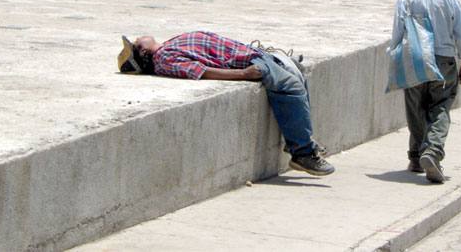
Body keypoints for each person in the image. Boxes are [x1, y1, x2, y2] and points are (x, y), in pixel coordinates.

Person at [118, 31, 335, 176]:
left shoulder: (169, 44)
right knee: (291, 88)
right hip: (248, 63)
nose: (137, 38)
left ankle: (303, 139)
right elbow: (202, 72)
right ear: (143, 53)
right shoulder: (164, 59)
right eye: (136, 44)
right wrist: (244, 74)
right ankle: (302, 153)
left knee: (297, 74)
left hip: (255, 55)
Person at [390, 0, 461, 183]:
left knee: (415, 108)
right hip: (443, 60)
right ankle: (433, 152)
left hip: (413, 59)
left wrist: (397, 64)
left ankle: (416, 157)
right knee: (440, 107)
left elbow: (397, 35)